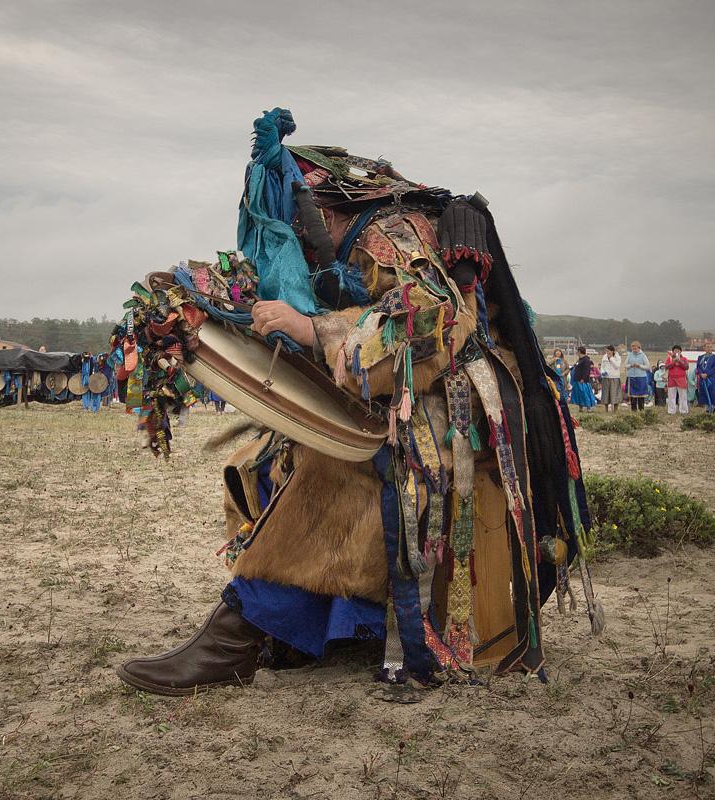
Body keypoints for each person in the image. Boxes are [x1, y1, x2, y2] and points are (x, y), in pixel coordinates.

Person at [114, 108, 596, 695]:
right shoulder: (342, 246)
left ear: (325, 211)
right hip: (402, 397)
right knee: (265, 463)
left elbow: (435, 320)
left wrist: (316, 330)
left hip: (457, 410)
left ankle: (238, 634)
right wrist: (193, 300)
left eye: (294, 219)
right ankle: (302, 629)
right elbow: (270, 288)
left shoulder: (392, 232)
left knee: (337, 467)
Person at [625, 341, 651, 411]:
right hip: (632, 377)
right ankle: (634, 410)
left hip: (641, 377)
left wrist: (639, 366)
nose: (634, 350)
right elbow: (625, 365)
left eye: (635, 348)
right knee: (633, 396)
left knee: (641, 395)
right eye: (633, 348)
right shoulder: (630, 355)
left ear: (639, 348)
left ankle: (641, 409)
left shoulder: (643, 355)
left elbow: (648, 366)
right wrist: (631, 365)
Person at [665, 345, 690, 415]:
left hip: (681, 378)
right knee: (671, 396)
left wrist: (680, 361)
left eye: (678, 350)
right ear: (672, 352)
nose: (677, 351)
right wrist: (673, 362)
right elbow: (666, 367)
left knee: (683, 396)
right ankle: (671, 411)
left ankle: (683, 411)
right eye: (675, 350)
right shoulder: (669, 358)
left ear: (680, 351)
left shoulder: (684, 359)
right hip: (671, 379)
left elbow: (686, 367)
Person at [570, 346, 596, 411]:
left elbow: (586, 370)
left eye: (577, 351)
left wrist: (583, 378)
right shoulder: (579, 359)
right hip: (577, 379)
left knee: (585, 394)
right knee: (579, 394)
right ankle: (580, 407)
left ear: (579, 351)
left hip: (583, 380)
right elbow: (575, 366)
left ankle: (588, 407)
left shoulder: (586, 360)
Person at [599, 345, 622, 412]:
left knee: (615, 394)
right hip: (606, 378)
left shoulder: (618, 357)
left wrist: (611, 358)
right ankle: (606, 409)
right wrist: (602, 372)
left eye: (608, 351)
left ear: (612, 351)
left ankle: (615, 410)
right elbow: (602, 366)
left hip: (614, 377)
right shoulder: (604, 357)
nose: (607, 352)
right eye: (606, 351)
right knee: (606, 394)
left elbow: (617, 366)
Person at [697, 342, 715, 413]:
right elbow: (698, 367)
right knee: (704, 393)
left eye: (711, 347)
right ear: (704, 348)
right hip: (702, 379)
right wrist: (701, 374)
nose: (709, 348)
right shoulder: (701, 357)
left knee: (712, 393)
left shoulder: (714, 357)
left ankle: (713, 408)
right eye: (708, 347)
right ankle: (707, 408)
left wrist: (707, 374)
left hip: (711, 379)